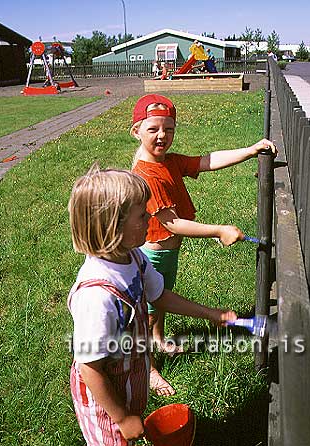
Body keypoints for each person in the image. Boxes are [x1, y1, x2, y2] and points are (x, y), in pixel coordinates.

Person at [67, 165, 237, 445]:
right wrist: (120, 417)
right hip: (104, 399)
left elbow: (160, 295)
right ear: (113, 225)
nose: (150, 217)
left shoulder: (133, 257)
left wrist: (210, 314)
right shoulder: (97, 297)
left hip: (128, 374)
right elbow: (90, 368)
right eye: (142, 214)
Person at [130, 94, 277, 363]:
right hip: (153, 256)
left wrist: (249, 150)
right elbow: (173, 223)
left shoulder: (169, 162)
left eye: (169, 129)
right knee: (150, 310)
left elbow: (207, 161)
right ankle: (148, 368)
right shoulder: (145, 175)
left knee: (159, 302)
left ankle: (159, 340)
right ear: (136, 131)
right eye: (153, 129)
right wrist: (219, 230)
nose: (162, 135)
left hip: (167, 253)